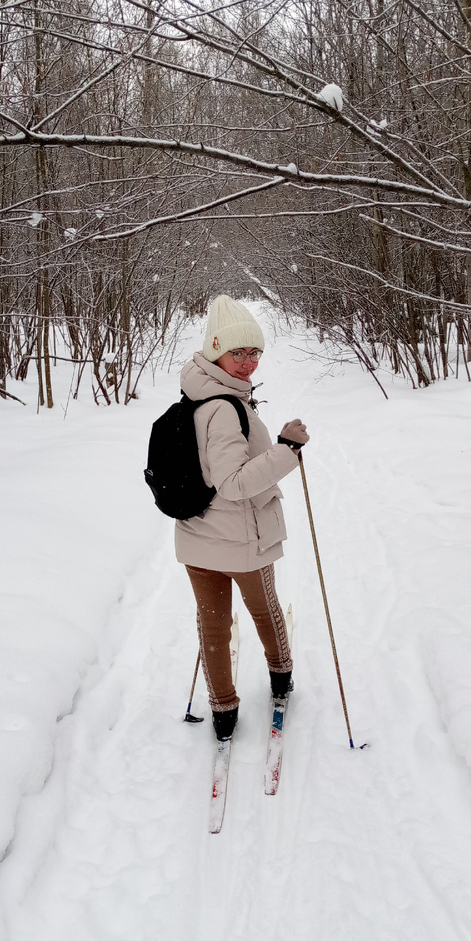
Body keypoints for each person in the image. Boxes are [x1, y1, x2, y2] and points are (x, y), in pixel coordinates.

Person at [176, 295, 309, 741]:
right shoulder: (224, 408)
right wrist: (287, 450)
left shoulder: (197, 393)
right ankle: (281, 677)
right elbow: (232, 482)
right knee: (264, 609)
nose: (249, 361)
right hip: (240, 540)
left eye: (255, 352)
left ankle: (223, 711)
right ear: (216, 350)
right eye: (239, 352)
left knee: (212, 624)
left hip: (196, 536)